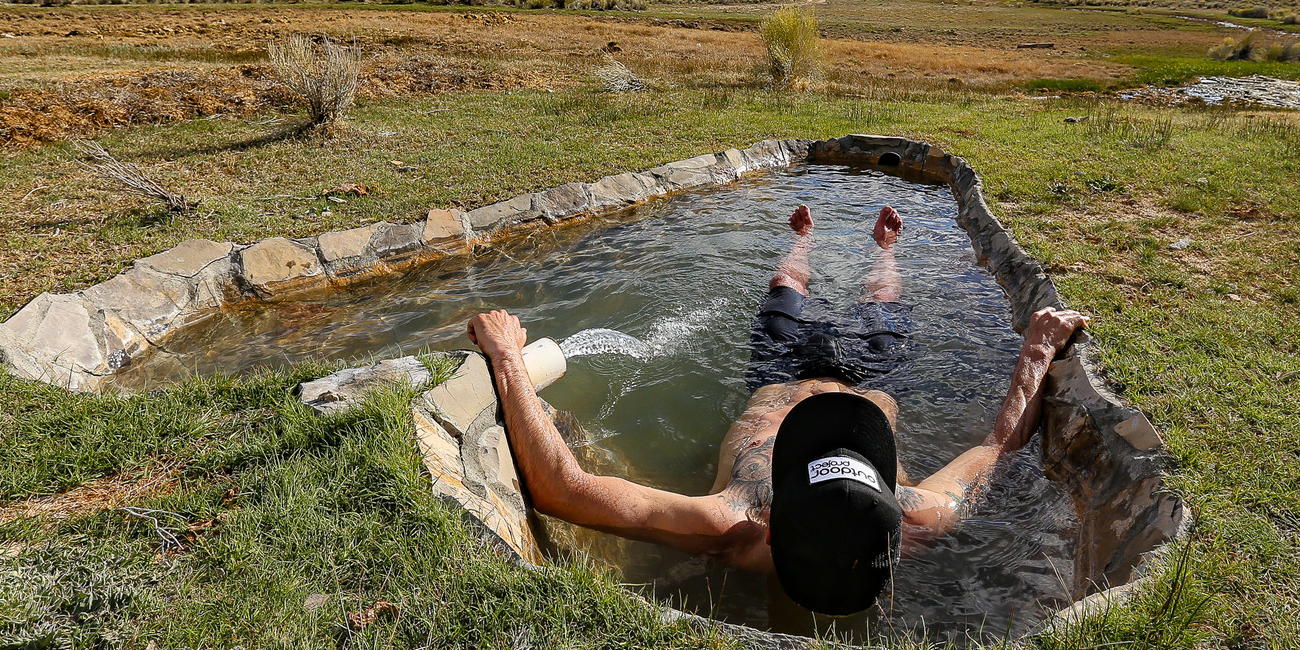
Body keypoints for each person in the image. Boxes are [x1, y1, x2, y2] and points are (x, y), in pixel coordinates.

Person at [466, 203, 1090, 618]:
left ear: (776, 525)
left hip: (775, 377)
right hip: (869, 379)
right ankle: (870, 245)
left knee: (785, 296)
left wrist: (507, 358)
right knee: (878, 299)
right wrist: (1036, 349)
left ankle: (815, 245)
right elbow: (997, 450)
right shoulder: (921, 516)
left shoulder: (733, 523)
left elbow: (562, 489)